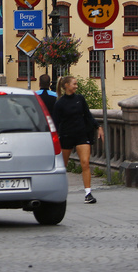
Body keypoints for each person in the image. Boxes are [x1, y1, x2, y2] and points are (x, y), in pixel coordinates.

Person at [51, 75, 103, 204]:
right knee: (63, 166)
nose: (76, 86)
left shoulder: (80, 99)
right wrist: (54, 138)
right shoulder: (60, 103)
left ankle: (88, 193)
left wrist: (98, 126)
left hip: (81, 134)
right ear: (66, 85)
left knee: (85, 163)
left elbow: (88, 115)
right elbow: (55, 123)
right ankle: (58, 191)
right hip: (66, 136)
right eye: (74, 84)